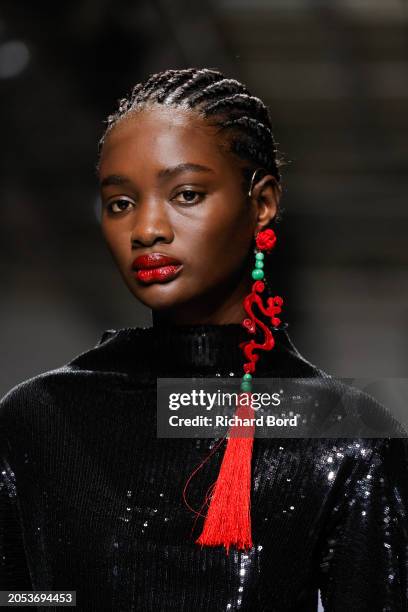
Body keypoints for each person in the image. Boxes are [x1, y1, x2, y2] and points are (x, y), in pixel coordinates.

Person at [1, 67, 407, 611]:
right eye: (120, 203)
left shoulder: (343, 429)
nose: (147, 229)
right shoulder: (41, 417)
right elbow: (20, 598)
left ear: (261, 203)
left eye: (186, 194)